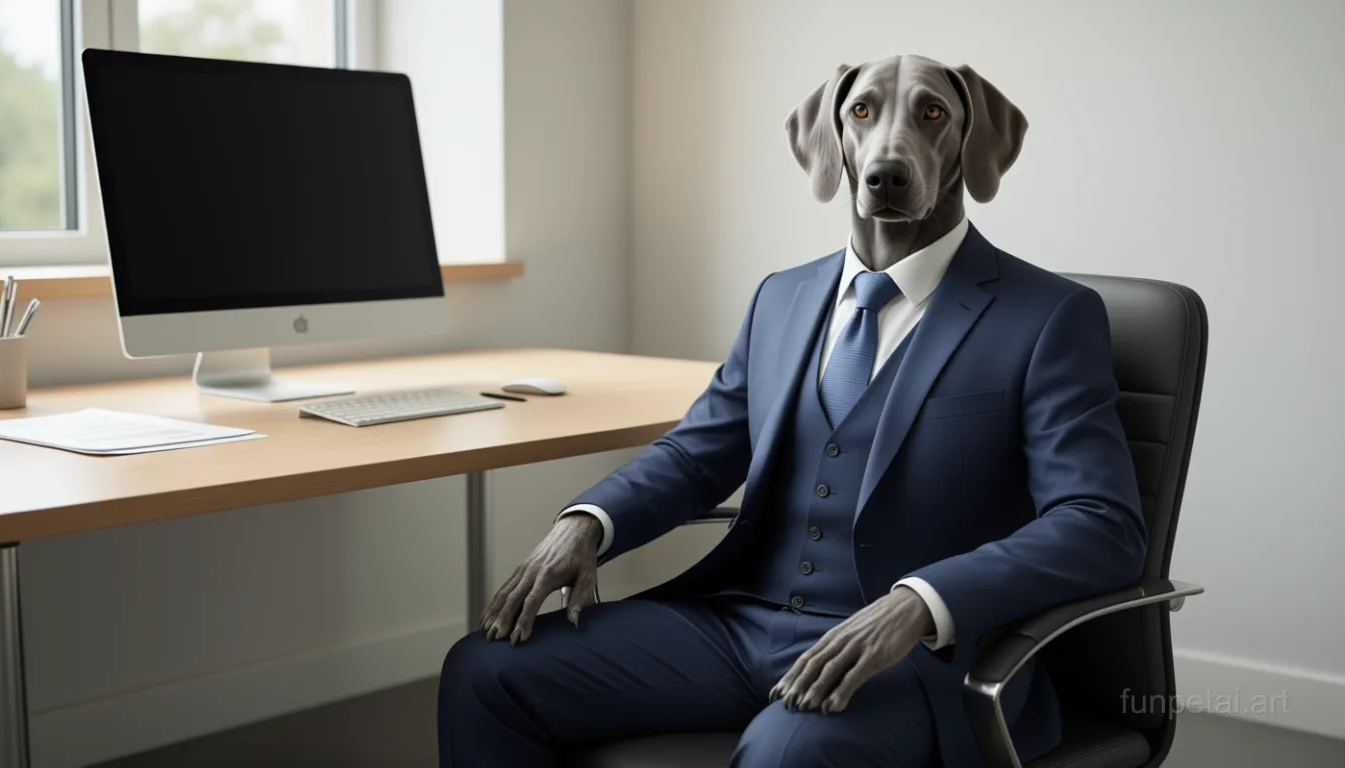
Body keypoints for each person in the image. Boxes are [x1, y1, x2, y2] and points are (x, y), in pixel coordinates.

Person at [438, 55, 1146, 768]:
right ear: (831, 142)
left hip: (922, 658)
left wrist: (921, 603)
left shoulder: (1048, 316)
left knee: (790, 755)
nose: (889, 153)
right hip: (738, 625)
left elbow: (1100, 524)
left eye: (930, 115)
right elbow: (696, 454)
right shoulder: (781, 298)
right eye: (864, 114)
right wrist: (587, 522)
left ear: (973, 143)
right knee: (485, 673)